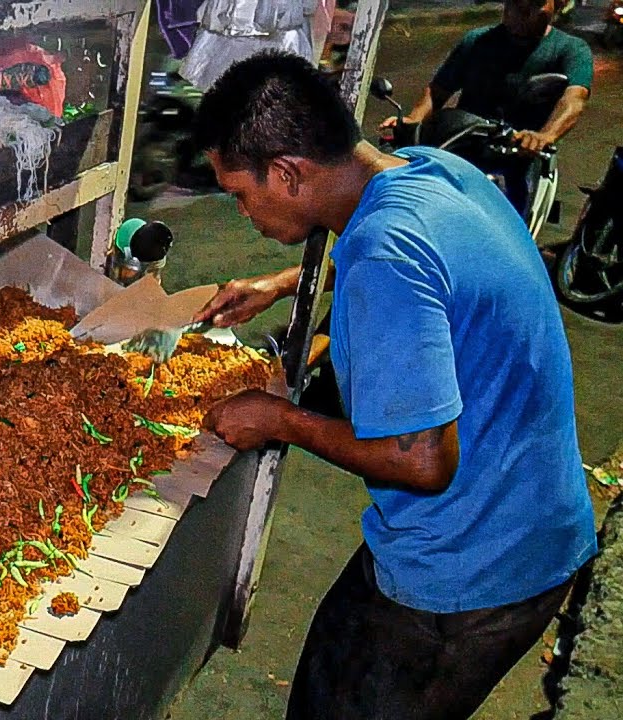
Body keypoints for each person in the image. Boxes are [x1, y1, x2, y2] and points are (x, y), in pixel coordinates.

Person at [191, 52, 597, 719]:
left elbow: (422, 460)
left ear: (290, 172)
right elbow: (438, 271)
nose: (241, 212)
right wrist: (285, 283)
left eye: (240, 193)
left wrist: (278, 418)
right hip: (530, 515)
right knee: (332, 662)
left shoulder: (385, 258)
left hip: (476, 568)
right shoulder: (435, 169)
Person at [380, 0, 591, 155]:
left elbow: (574, 99)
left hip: (520, 154)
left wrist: (545, 136)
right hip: (461, 144)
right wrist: (413, 121)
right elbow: (438, 91)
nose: (523, 9)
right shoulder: (477, 40)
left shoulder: (571, 49)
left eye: (536, 3)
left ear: (558, 4)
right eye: (516, 2)